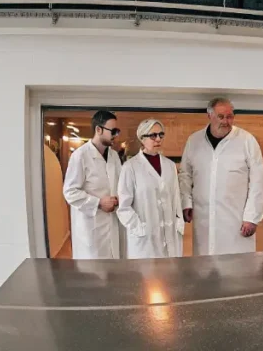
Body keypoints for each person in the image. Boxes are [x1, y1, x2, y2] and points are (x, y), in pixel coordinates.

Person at [179, 97, 263, 255]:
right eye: (221, 116)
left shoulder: (246, 141)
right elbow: (185, 174)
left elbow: (258, 181)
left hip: (237, 221)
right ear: (209, 116)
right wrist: (186, 202)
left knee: (237, 270)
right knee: (204, 268)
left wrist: (252, 217)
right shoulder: (194, 141)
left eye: (230, 116)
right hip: (203, 219)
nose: (226, 121)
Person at [117, 119, 184, 259]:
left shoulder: (170, 165)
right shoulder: (130, 167)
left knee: (170, 275)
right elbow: (124, 207)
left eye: (161, 134)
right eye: (153, 135)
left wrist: (179, 221)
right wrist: (139, 228)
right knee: (146, 277)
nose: (158, 139)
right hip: (145, 237)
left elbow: (176, 198)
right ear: (142, 138)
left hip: (169, 233)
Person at [62, 110, 124, 259]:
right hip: (91, 227)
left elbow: (120, 183)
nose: (116, 135)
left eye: (117, 131)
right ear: (98, 129)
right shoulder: (80, 156)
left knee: (113, 270)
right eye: (113, 131)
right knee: (93, 274)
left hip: (112, 222)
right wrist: (98, 202)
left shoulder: (114, 155)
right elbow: (70, 192)